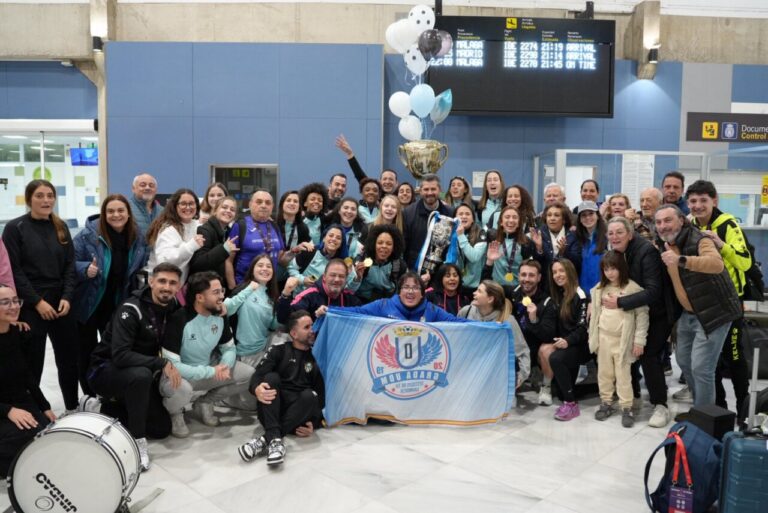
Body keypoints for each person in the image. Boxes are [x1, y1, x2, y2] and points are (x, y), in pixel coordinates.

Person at [87, 262, 185, 471]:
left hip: (139, 373)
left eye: (172, 283)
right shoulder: (131, 309)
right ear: (151, 282)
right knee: (141, 376)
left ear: (178, 286)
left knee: (161, 429)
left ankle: (104, 408)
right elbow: (120, 356)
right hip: (105, 370)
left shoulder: (173, 306)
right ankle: (138, 443)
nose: (166, 287)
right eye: (161, 281)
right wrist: (160, 362)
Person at [2, 179, 79, 414]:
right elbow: (15, 270)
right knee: (32, 361)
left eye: (49, 195)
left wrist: (67, 296)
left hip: (61, 301)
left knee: (68, 359)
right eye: (39, 196)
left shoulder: (61, 227)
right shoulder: (15, 228)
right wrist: (37, 302)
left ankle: (72, 407)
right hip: (31, 302)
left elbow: (69, 266)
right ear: (29, 199)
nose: (46, 200)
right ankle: (35, 410)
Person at [655, 204, 741, 408]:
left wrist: (681, 260)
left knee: (702, 368)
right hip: (689, 313)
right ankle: (699, 406)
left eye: (668, 220)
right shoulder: (663, 243)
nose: (662, 226)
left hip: (715, 312)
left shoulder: (699, 239)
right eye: (658, 222)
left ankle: (704, 419)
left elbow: (716, 264)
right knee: (684, 361)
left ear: (681, 221)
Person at [604, 216, 678, 427]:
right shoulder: (617, 253)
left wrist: (620, 301)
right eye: (611, 233)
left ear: (630, 233)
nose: (614, 237)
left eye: (619, 232)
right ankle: (633, 396)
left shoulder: (646, 252)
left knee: (648, 355)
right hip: (635, 311)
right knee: (627, 352)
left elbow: (654, 291)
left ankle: (660, 405)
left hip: (658, 314)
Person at [160, 271, 254, 437]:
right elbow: (172, 366)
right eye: (216, 292)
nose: (222, 297)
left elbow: (229, 348)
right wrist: (211, 371)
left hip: (210, 369)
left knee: (249, 374)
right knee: (182, 388)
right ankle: (175, 413)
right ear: (200, 297)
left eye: (222, 291)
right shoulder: (178, 319)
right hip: (181, 376)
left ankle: (204, 402)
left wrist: (224, 365)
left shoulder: (220, 314)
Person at [72, 194, 149, 397]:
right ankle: (88, 396)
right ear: (104, 214)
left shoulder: (137, 237)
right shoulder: (87, 235)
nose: (116, 215)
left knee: (111, 351)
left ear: (128, 213)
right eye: (111, 211)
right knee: (85, 351)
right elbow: (68, 263)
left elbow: (141, 266)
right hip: (88, 304)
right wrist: (84, 268)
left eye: (120, 210)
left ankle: (107, 392)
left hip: (117, 304)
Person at [687, 180, 751, 421]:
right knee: (708, 361)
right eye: (693, 201)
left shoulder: (728, 224)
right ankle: (718, 410)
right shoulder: (689, 224)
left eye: (704, 200)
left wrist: (720, 244)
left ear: (714, 201)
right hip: (705, 305)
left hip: (730, 303)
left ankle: (744, 412)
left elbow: (744, 262)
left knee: (734, 357)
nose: (698, 205)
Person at [237, 310, 324, 466]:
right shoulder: (279, 350)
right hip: (272, 412)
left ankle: (266, 439)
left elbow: (320, 398)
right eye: (307, 327)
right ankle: (274, 438)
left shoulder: (314, 359)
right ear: (294, 333)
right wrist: (256, 388)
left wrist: (314, 424)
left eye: (312, 326)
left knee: (310, 395)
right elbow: (257, 376)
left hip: (296, 420)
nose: (312, 331)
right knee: (271, 378)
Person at [0, 284, 56, 478]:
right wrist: (8, 411)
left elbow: (26, 376)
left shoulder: (18, 333)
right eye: (5, 302)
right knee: (27, 436)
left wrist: (44, 406)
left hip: (17, 400)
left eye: (16, 301)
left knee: (46, 431)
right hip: (3, 408)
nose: (14, 306)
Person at [588, 251, 649, 428]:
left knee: (624, 376)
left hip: (623, 341)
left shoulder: (633, 289)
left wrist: (639, 341)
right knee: (604, 374)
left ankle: (626, 407)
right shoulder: (600, 288)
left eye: (613, 268)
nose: (610, 273)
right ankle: (606, 402)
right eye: (606, 269)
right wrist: (594, 337)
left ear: (621, 268)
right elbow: (596, 314)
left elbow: (642, 316)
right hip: (603, 339)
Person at [536, 259, 590, 420]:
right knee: (560, 392)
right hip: (565, 343)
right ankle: (568, 394)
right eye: (554, 272)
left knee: (557, 359)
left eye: (561, 271)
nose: (558, 275)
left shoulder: (580, 295)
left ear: (570, 272)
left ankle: (571, 404)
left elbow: (583, 329)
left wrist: (567, 341)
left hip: (579, 344)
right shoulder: (558, 294)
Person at [458, 280, 531, 388]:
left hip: (496, 373)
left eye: (479, 291)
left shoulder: (508, 321)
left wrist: (519, 378)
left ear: (490, 299)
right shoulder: (466, 311)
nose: (474, 293)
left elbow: (522, 351)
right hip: (469, 370)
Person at [327, 271, 468, 322]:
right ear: (399, 291)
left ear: (422, 293)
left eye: (415, 288)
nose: (410, 292)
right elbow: (356, 312)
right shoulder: (382, 305)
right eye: (406, 287)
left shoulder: (432, 310)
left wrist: (487, 327)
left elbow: (457, 323)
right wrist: (329, 310)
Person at [224, 254, 281, 368]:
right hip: (244, 352)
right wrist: (249, 289)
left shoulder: (272, 295)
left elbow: (273, 326)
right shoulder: (243, 289)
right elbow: (226, 310)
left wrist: (283, 304)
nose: (265, 269)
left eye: (269, 266)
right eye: (260, 265)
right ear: (252, 270)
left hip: (263, 347)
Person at [226, 190, 285, 287]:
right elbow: (228, 260)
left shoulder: (274, 226)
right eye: (259, 202)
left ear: (272, 207)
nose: (263, 205)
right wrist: (233, 288)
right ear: (250, 204)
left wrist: (295, 251)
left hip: (270, 286)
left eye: (268, 203)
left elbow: (280, 258)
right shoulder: (240, 226)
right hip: (244, 286)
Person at [145, 188, 203, 285]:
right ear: (175, 206)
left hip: (179, 285)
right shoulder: (168, 229)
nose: (188, 207)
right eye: (183, 203)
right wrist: (191, 245)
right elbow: (164, 261)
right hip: (160, 285)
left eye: (191, 203)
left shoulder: (197, 225)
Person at [277, 258, 361, 323]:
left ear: (346, 279)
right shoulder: (310, 295)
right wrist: (285, 294)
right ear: (324, 277)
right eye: (333, 275)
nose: (337, 279)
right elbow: (284, 319)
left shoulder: (350, 298)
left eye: (341, 276)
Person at [508, 259, 557, 363]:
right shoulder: (511, 293)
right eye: (523, 274)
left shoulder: (547, 302)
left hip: (533, 348)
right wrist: (489, 263)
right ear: (518, 276)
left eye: (531, 275)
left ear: (539, 277)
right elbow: (488, 290)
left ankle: (544, 378)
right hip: (511, 345)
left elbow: (548, 336)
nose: (526, 279)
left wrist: (534, 321)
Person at [402, 173, 454, 270]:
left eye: (433, 189)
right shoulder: (408, 213)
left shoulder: (450, 213)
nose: (430, 193)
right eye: (426, 189)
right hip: (415, 269)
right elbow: (404, 244)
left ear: (440, 190)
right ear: (420, 191)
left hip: (441, 270)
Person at [286, 224, 358, 293]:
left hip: (326, 302)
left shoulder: (345, 262)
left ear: (341, 243)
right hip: (301, 297)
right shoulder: (310, 251)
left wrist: (358, 278)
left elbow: (350, 289)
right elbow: (291, 268)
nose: (333, 239)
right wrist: (302, 280)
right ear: (324, 238)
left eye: (338, 238)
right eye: (331, 235)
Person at [189, 196, 238, 284]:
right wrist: (224, 249)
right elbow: (198, 264)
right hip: (204, 287)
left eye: (232, 209)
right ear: (215, 211)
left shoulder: (229, 232)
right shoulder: (204, 230)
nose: (228, 211)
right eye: (224, 207)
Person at [484, 206, 536, 288]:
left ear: (519, 223)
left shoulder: (527, 242)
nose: (511, 220)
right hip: (496, 288)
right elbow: (486, 272)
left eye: (515, 217)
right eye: (507, 217)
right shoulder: (493, 238)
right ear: (501, 222)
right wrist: (490, 260)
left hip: (518, 288)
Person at [355, 224, 407, 302]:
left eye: (389, 244)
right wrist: (357, 278)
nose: (384, 246)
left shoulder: (399, 266)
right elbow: (349, 289)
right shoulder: (362, 260)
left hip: (386, 305)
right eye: (380, 243)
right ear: (373, 244)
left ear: (394, 247)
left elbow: (401, 294)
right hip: (361, 302)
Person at [530, 203, 579, 285]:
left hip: (568, 283)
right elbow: (536, 265)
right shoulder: (538, 234)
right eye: (549, 215)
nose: (552, 218)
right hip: (545, 283)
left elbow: (577, 263)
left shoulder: (573, 235)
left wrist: (564, 252)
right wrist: (539, 249)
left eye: (556, 215)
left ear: (564, 220)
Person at [568, 201, 608, 293]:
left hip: (603, 290)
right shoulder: (576, 238)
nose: (588, 218)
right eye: (584, 215)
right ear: (580, 219)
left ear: (598, 215)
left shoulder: (607, 236)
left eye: (591, 213)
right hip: (583, 291)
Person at [275, 190, 313, 283]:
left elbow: (309, 249)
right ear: (282, 204)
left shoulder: (303, 227)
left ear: (299, 207)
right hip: (272, 272)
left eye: (296, 201)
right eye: (288, 200)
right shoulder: (273, 224)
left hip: (292, 274)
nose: (292, 203)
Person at [454, 203, 488, 293]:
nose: (464, 216)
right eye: (460, 214)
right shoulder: (450, 232)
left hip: (475, 286)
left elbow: (474, 257)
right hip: (454, 283)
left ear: (473, 219)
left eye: (467, 214)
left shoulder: (481, 233)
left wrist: (461, 236)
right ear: (455, 218)